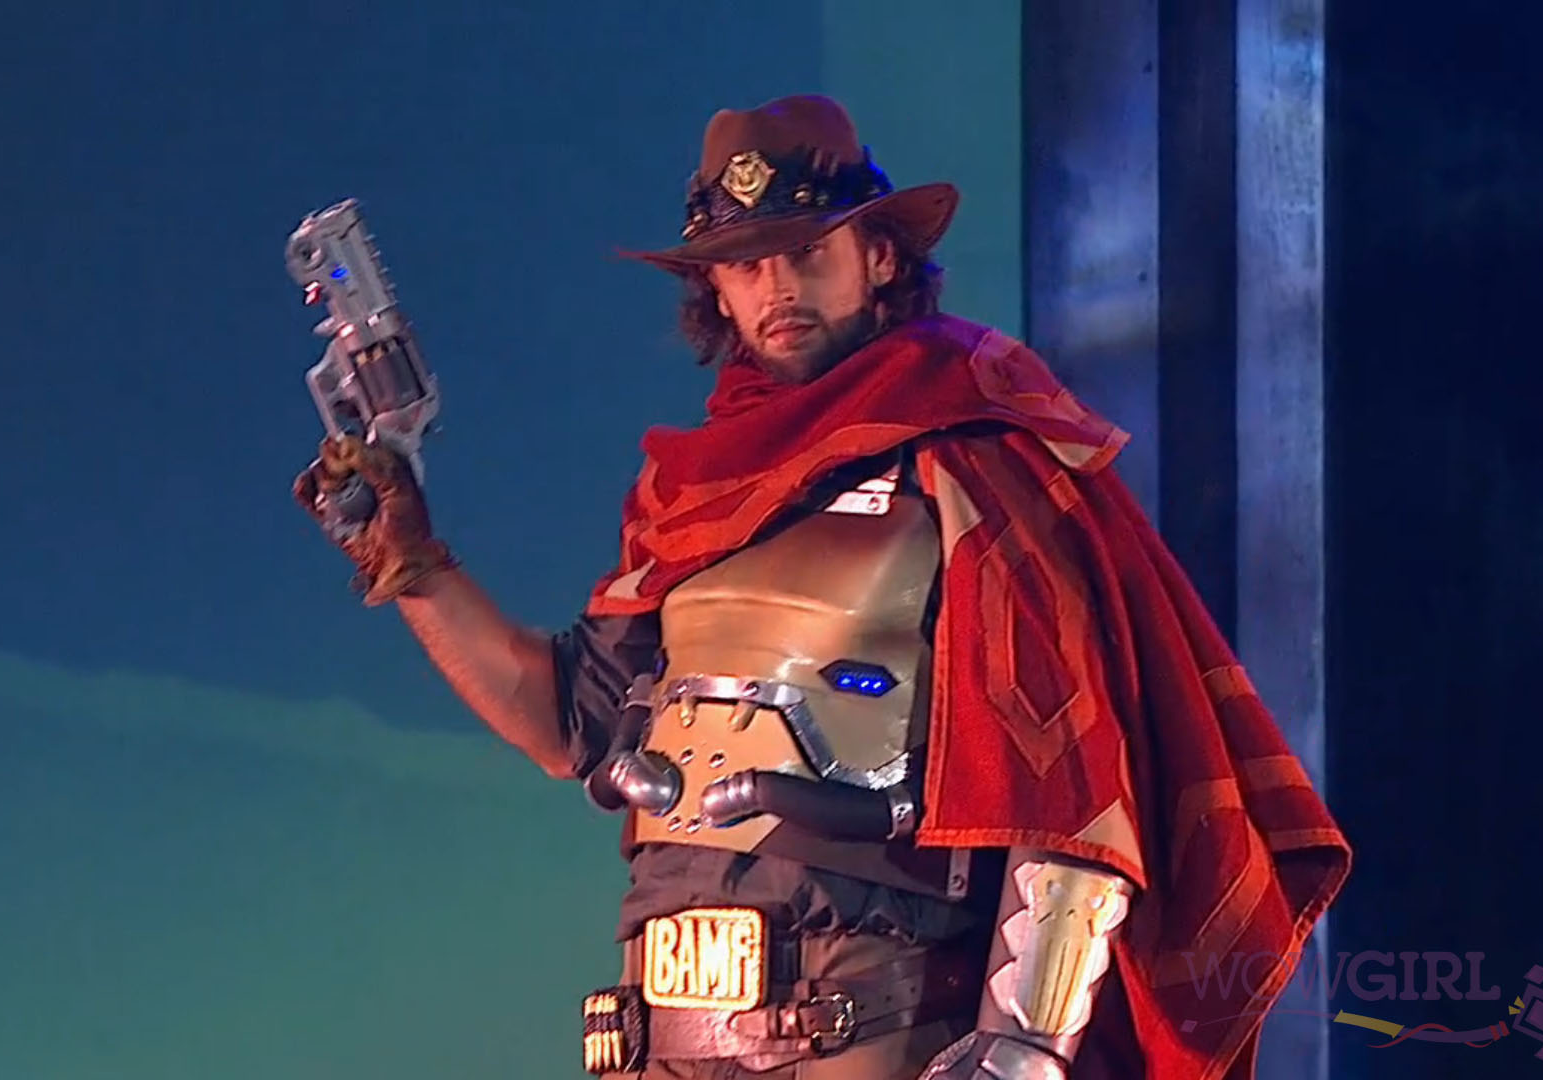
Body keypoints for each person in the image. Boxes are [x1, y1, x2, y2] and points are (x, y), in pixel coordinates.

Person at [294, 95, 1351, 1080]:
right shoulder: (691, 487)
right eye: (745, 265)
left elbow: (1072, 783)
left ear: (878, 256)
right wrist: (415, 566)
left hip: (872, 1013)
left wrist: (1022, 1042)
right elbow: (570, 725)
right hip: (663, 1015)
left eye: (804, 253)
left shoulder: (970, 453)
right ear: (713, 287)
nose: (776, 289)